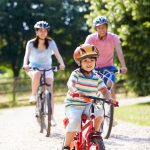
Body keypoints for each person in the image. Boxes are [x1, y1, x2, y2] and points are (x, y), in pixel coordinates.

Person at [62, 44, 112, 150]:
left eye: (91, 61)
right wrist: (75, 91)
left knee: (100, 113)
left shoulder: (96, 77)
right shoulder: (76, 73)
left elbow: (104, 90)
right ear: (79, 62)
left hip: (88, 104)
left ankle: (94, 133)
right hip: (73, 105)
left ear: (95, 62)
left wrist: (109, 98)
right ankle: (66, 146)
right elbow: (70, 84)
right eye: (85, 61)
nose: (89, 63)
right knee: (75, 120)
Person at [23, 21, 65, 126]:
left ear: (47, 32)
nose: (43, 32)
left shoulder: (51, 43)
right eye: (40, 31)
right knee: (37, 74)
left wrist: (62, 64)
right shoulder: (31, 43)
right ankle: (33, 95)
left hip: (47, 69)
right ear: (36, 32)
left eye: (45, 31)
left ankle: (51, 117)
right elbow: (26, 56)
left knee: (50, 91)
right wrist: (25, 65)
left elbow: (58, 55)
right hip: (34, 68)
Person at [84, 16, 127, 101]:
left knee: (110, 83)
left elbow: (119, 52)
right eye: (99, 28)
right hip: (94, 67)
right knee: (92, 89)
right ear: (96, 28)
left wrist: (123, 66)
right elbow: (84, 51)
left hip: (109, 67)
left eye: (103, 27)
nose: (101, 29)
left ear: (107, 27)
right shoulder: (91, 38)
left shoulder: (114, 38)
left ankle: (110, 108)